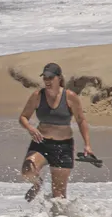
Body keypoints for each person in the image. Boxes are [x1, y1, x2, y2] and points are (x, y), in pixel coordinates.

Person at [17, 62, 93, 201]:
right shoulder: (37, 96)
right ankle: (37, 184)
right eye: (44, 77)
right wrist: (30, 128)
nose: (47, 81)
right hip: (41, 143)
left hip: (63, 147)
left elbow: (81, 120)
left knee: (58, 195)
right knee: (27, 170)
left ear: (59, 78)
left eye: (50, 77)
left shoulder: (70, 96)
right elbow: (23, 117)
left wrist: (87, 145)